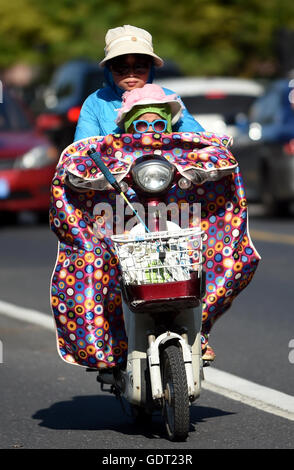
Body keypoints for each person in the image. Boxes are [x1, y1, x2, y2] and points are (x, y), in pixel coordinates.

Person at [115, 83, 216, 361]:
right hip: (125, 213)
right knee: (103, 261)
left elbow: (206, 147)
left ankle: (201, 333)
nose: (150, 132)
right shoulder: (115, 150)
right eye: (140, 126)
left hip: (175, 215)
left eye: (159, 125)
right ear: (128, 129)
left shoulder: (180, 148)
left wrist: (204, 166)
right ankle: (113, 344)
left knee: (207, 252)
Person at [73, 24, 204, 141]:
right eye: (121, 67)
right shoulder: (95, 102)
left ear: (151, 68)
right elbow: (83, 149)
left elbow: (198, 137)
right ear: (109, 69)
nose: (131, 74)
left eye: (140, 66)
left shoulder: (168, 98)